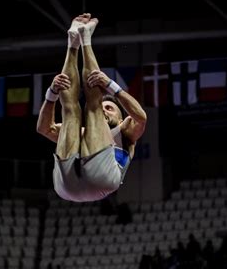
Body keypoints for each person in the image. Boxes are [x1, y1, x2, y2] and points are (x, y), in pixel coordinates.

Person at [36, 13, 147, 202]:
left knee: (92, 106)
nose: (105, 109)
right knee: (70, 112)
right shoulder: (82, 132)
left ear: (120, 119)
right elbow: (44, 128)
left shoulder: (126, 131)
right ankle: (73, 42)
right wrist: (51, 94)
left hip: (103, 181)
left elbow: (141, 117)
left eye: (110, 108)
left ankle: (86, 39)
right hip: (67, 186)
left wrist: (111, 86)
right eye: (106, 106)